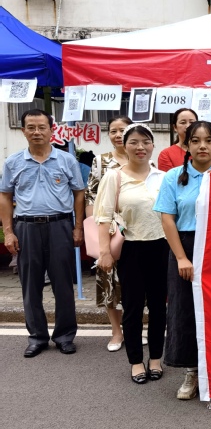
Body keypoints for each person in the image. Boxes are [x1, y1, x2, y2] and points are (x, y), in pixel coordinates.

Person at [0, 109, 85, 358]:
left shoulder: (66, 160)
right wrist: (8, 232)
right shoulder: (13, 162)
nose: (36, 132)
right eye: (31, 127)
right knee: (30, 285)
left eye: (41, 127)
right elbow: (5, 196)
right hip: (26, 227)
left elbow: (79, 193)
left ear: (51, 130)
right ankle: (37, 337)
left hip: (59, 226)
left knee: (63, 284)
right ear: (23, 130)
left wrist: (78, 227)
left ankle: (64, 336)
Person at [155, 121, 211, 400]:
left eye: (209, 141)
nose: (202, 146)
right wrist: (181, 258)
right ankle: (191, 371)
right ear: (187, 145)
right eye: (195, 141)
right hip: (184, 247)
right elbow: (167, 218)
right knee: (185, 309)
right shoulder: (174, 177)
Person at [95, 124, 167, 384]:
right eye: (134, 142)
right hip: (131, 249)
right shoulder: (114, 177)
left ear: (152, 145)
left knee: (159, 307)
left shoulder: (163, 177)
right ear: (124, 146)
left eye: (146, 142)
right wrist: (105, 252)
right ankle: (136, 361)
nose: (140, 147)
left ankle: (156, 358)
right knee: (133, 307)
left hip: (161, 247)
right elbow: (103, 217)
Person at [86, 115, 135, 351]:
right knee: (108, 280)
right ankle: (116, 332)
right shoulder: (101, 161)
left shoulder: (142, 158)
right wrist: (95, 229)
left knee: (134, 282)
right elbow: (90, 196)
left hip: (135, 231)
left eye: (122, 130)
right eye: (113, 131)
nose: (118, 135)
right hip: (108, 229)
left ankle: (134, 328)